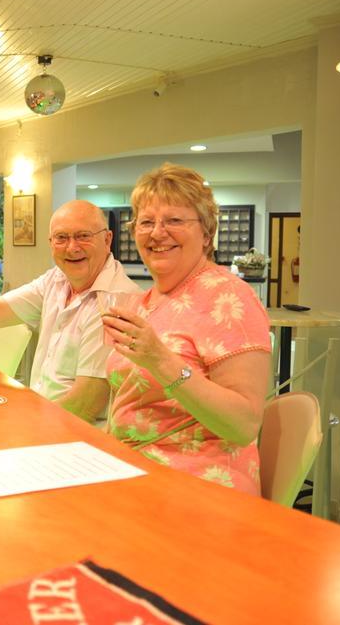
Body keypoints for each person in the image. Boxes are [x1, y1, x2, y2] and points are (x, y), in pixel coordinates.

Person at [101, 163, 270, 494]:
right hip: (130, 470)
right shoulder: (143, 302)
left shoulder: (229, 297)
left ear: (207, 233)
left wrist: (161, 361)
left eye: (174, 221)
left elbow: (244, 424)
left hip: (197, 482)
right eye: (146, 222)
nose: (157, 233)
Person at [0, 200, 139, 422]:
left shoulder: (117, 299)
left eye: (83, 236)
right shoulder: (56, 280)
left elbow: (85, 404)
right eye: (61, 238)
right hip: (45, 417)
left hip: (78, 432)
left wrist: (23, 422)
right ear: (51, 243)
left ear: (107, 239)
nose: (72, 247)